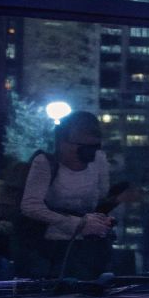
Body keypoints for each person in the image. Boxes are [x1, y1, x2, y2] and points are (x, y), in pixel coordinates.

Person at [15, 111, 120, 280]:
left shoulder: (98, 160)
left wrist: (102, 218)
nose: (88, 154)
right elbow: (30, 205)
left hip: (86, 245)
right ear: (62, 142)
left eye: (93, 147)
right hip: (47, 246)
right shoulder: (45, 162)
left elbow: (100, 198)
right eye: (82, 147)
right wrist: (72, 222)